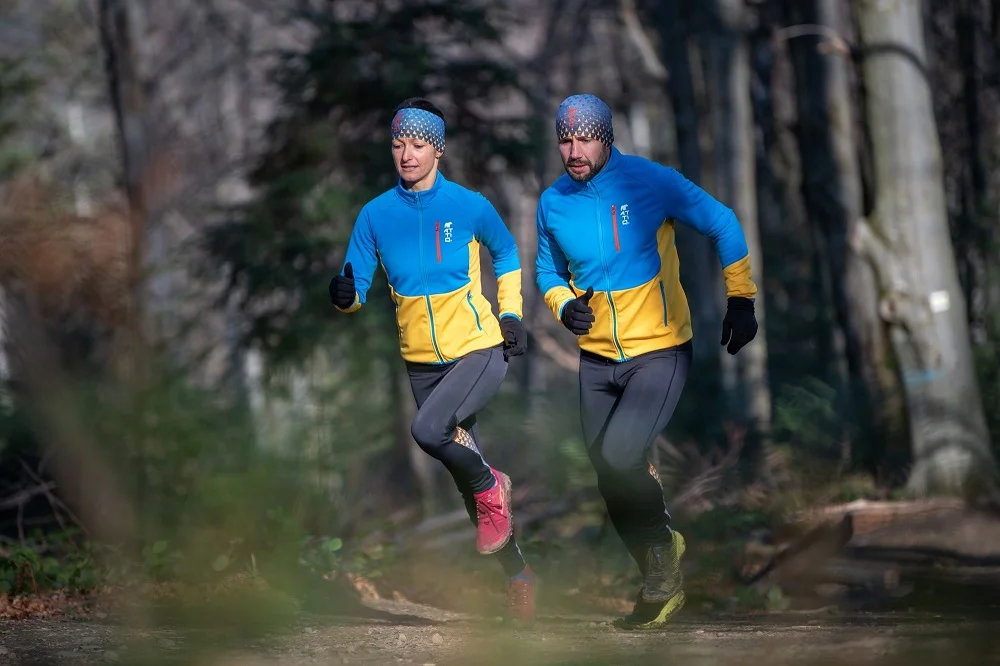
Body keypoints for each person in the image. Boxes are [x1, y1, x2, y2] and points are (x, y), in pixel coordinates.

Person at [534, 94, 759, 629]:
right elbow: (546, 270)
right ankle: (660, 578)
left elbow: (723, 223)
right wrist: (564, 306)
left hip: (659, 349)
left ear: (606, 137)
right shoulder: (552, 201)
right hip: (596, 360)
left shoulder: (650, 181)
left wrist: (741, 299)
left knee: (619, 454)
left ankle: (662, 547)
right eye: (564, 139)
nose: (573, 149)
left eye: (584, 137)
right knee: (608, 477)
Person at [328, 97, 535, 623]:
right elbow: (354, 291)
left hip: (479, 350)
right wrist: (343, 293)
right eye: (398, 144)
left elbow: (507, 252)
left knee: (428, 432)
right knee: (472, 492)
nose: (406, 154)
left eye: (418, 145)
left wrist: (510, 315)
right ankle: (519, 576)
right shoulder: (374, 216)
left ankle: (493, 482)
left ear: (437, 150)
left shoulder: (467, 205)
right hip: (421, 364)